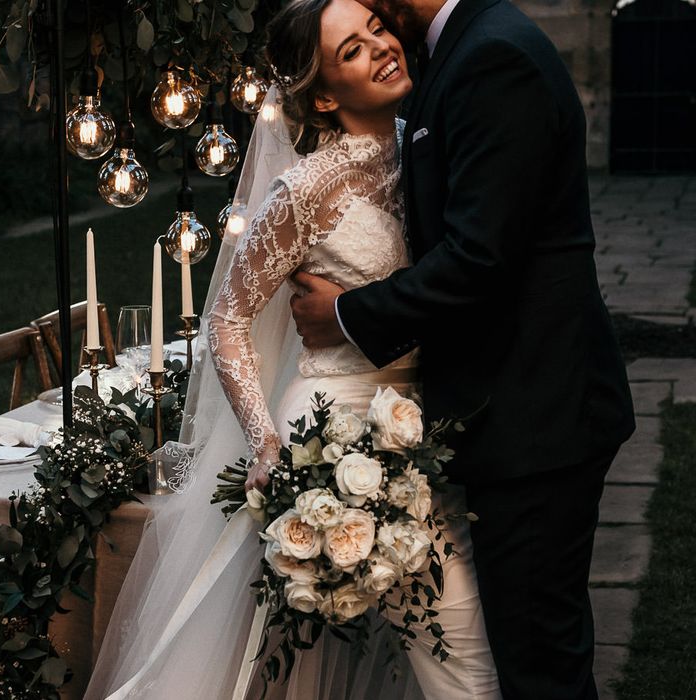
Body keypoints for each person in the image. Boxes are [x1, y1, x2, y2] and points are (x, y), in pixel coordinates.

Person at [84, 0, 501, 698]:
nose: (381, 48)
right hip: (336, 436)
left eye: (376, 30)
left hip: (423, 422)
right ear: (325, 95)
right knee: (416, 653)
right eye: (352, 52)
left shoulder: (427, 139)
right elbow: (225, 321)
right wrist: (269, 443)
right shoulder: (303, 189)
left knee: (452, 652)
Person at [289, 0, 637, 698]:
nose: (379, 30)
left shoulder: (492, 58)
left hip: (537, 414)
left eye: (377, 17)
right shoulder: (462, 50)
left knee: (540, 665)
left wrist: (346, 312)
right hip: (514, 409)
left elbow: (480, 259)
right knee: (530, 647)